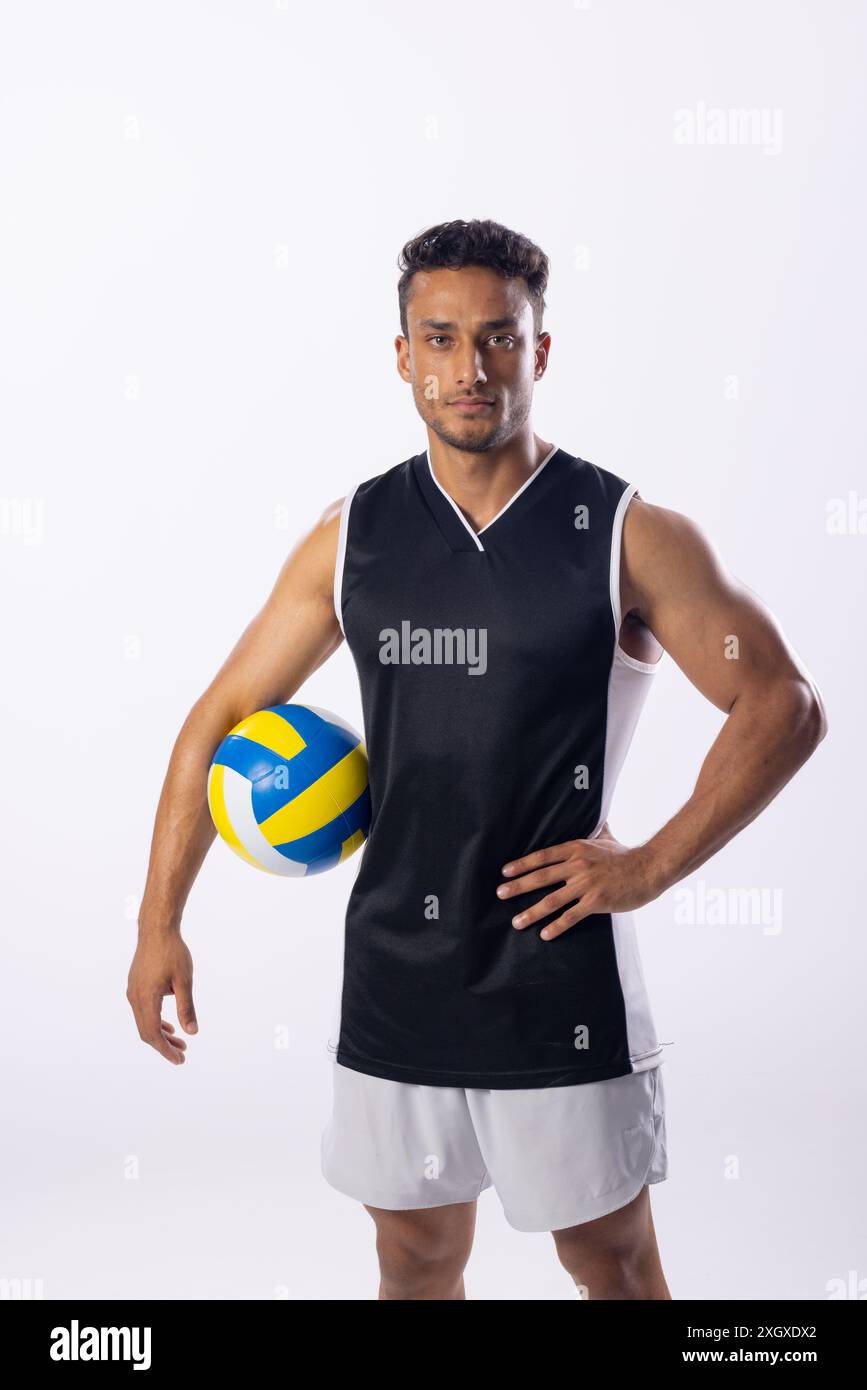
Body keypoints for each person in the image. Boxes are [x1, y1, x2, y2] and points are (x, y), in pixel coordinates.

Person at [127, 219, 828, 1300]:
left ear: (539, 351)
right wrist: (158, 922)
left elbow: (782, 703)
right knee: (412, 1253)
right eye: (442, 339)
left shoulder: (625, 532)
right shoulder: (351, 535)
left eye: (498, 338)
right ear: (402, 354)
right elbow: (218, 713)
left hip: (558, 974)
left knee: (610, 1257)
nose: (470, 368)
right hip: (397, 978)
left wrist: (645, 866)